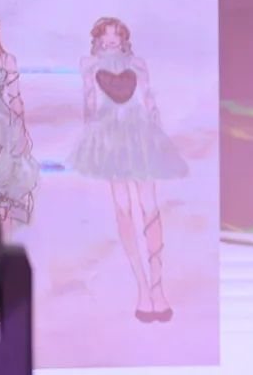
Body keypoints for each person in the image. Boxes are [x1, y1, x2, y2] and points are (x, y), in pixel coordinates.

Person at [69, 17, 187, 323]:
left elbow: (149, 101)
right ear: (97, 42)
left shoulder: (137, 64)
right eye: (105, 38)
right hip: (110, 140)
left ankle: (158, 289)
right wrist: (91, 136)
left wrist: (157, 132)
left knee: (150, 206)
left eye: (115, 38)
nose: (110, 42)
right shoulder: (90, 66)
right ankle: (142, 289)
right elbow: (89, 103)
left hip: (141, 137)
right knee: (123, 208)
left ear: (124, 41)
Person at [0, 16, 38, 241]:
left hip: (1, 124)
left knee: (4, 193)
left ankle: (4, 245)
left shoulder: (6, 59)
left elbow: (15, 97)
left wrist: (21, 129)